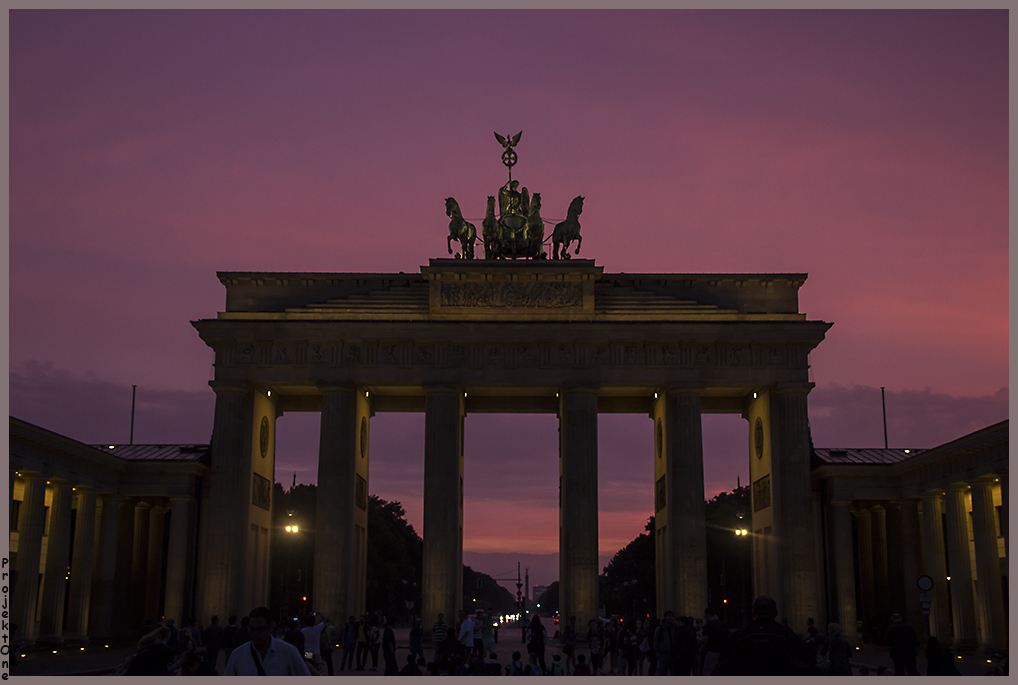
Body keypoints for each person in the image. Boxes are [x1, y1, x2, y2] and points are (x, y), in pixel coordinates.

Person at [717, 595, 817, 675]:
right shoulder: (786, 636)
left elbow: (724, 666)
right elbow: (805, 665)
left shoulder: (739, 636)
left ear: (753, 613)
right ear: (775, 613)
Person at [222, 606, 310, 675]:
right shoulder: (237, 655)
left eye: (260, 629)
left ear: (270, 627)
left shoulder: (289, 652)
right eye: (252, 629)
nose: (255, 634)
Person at [699, 607, 727, 676]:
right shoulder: (722, 624)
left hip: (711, 651)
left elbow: (706, 640)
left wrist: (699, 638)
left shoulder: (708, 625)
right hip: (721, 651)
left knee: (707, 671)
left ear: (707, 614)